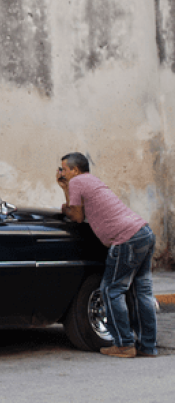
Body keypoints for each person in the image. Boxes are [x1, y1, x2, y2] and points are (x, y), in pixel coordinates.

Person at [58, 152, 158, 358]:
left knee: (112, 290)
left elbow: (76, 216)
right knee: (142, 293)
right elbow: (80, 209)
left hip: (126, 239)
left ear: (75, 170)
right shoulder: (92, 181)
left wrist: (65, 201)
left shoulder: (77, 182)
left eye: (64, 169)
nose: (61, 173)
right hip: (143, 232)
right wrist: (66, 189)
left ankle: (124, 344)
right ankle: (148, 346)